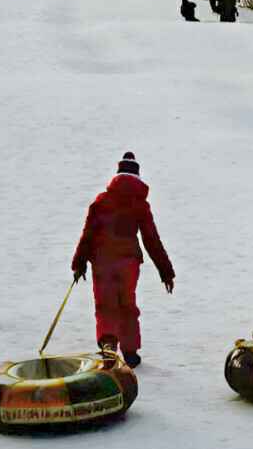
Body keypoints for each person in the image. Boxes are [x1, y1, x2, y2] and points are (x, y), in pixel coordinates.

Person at [71, 153, 175, 368]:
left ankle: (109, 344)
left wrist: (79, 263)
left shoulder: (101, 201)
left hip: (102, 261)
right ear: (137, 177)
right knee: (127, 304)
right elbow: (151, 239)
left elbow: (87, 234)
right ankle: (130, 352)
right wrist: (166, 271)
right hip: (129, 263)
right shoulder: (140, 205)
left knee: (105, 304)